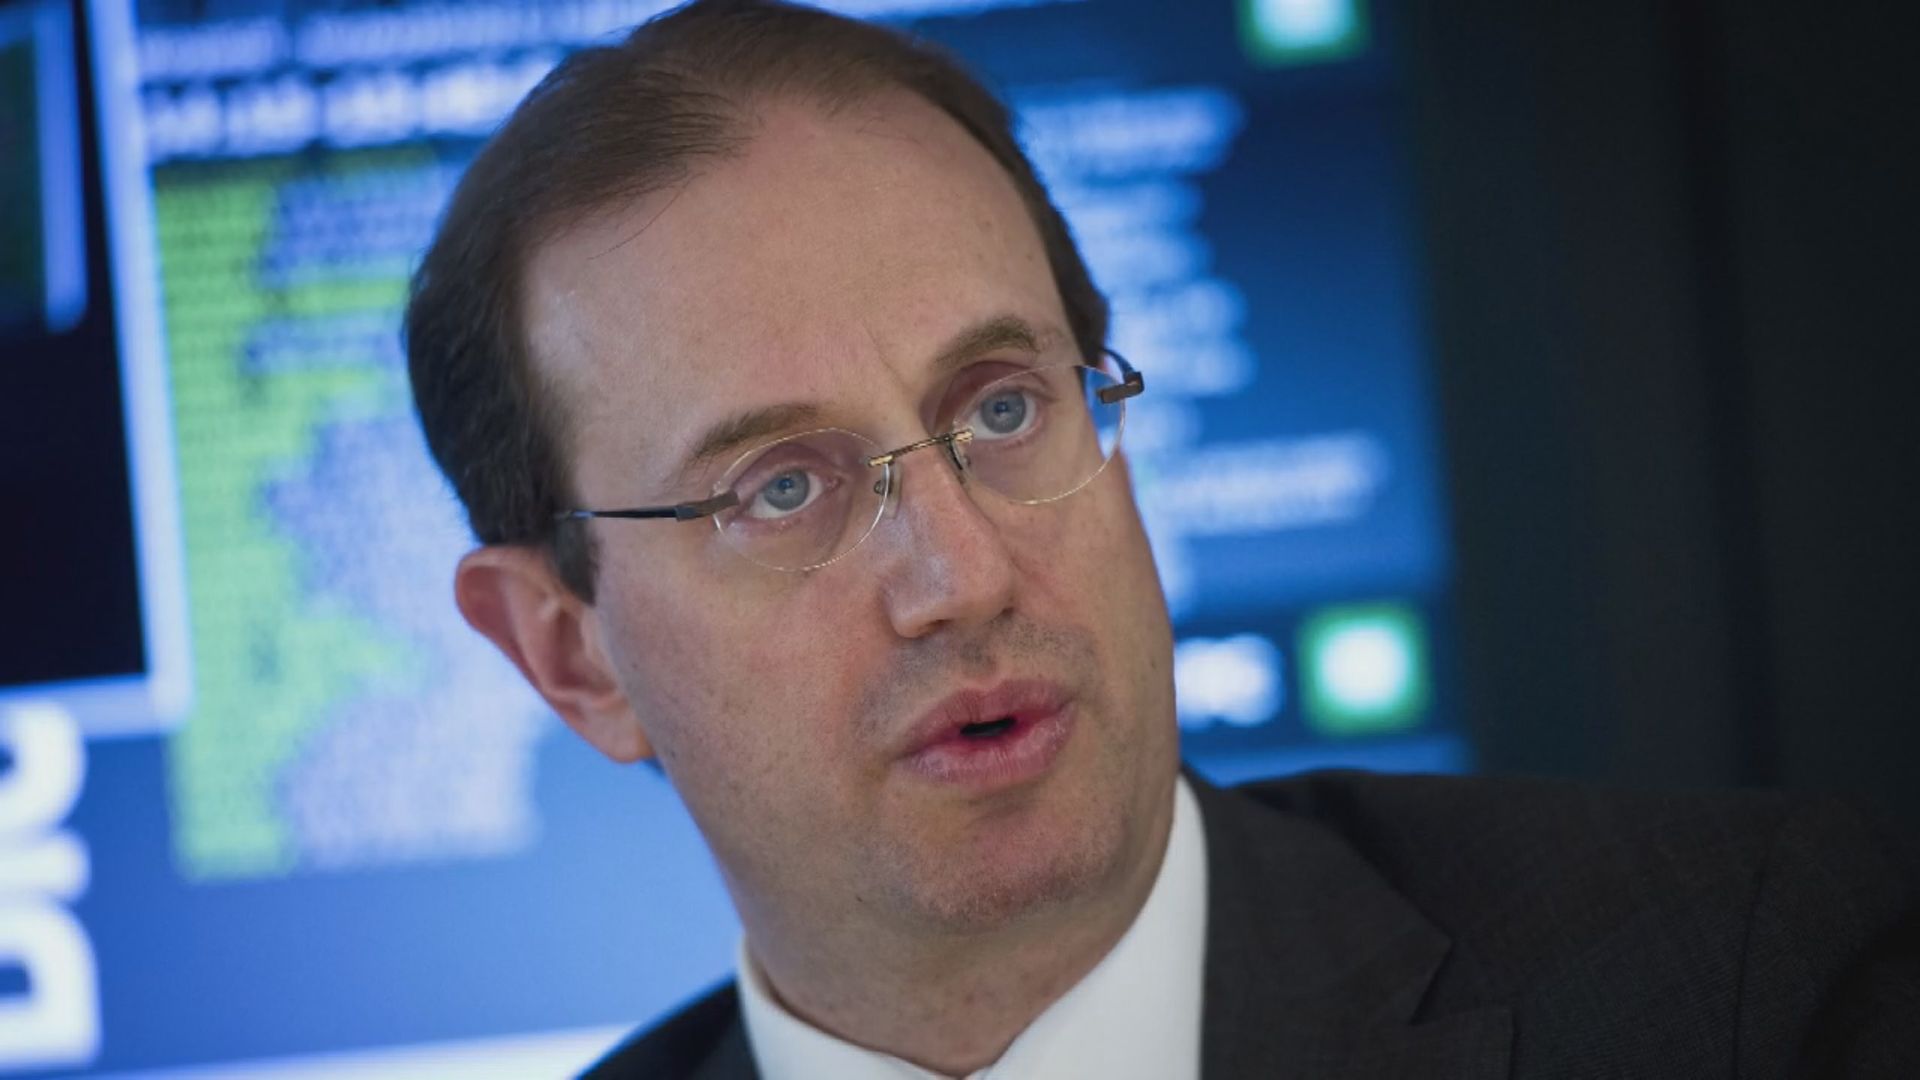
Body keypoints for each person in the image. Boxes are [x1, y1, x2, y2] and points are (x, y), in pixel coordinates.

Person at [403, 2, 1919, 1076]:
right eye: (781, 491)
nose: (963, 576)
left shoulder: (1744, 986)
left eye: (1004, 409)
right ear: (571, 656)